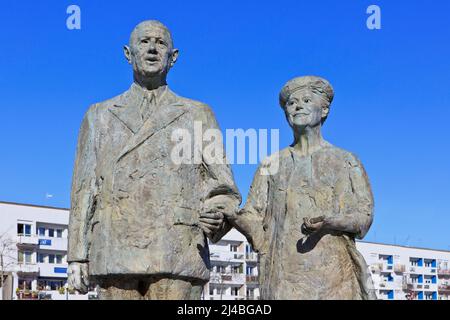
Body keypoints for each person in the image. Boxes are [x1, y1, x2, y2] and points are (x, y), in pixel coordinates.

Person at [67, 20, 241, 300]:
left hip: (177, 250)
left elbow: (223, 188)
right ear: (128, 53)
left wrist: (217, 216)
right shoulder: (98, 115)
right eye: (144, 42)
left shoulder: (198, 113)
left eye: (160, 43)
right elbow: (83, 189)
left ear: (173, 57)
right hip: (115, 251)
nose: (151, 49)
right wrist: (76, 255)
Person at [228, 76, 376, 299]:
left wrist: (330, 221)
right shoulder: (270, 164)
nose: (298, 106)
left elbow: (364, 217)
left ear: (324, 110)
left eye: (307, 100)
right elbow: (253, 216)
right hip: (282, 278)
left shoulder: (346, 160)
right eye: (291, 103)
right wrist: (232, 214)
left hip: (334, 278)